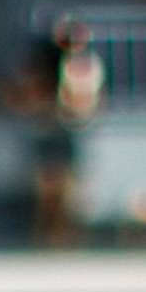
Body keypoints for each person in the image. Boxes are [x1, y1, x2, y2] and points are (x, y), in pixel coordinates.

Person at [8, 15, 103, 248]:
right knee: (47, 185)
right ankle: (46, 235)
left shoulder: (83, 64)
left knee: (67, 186)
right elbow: (24, 93)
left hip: (68, 128)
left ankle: (63, 235)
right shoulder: (43, 63)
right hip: (48, 126)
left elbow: (89, 98)